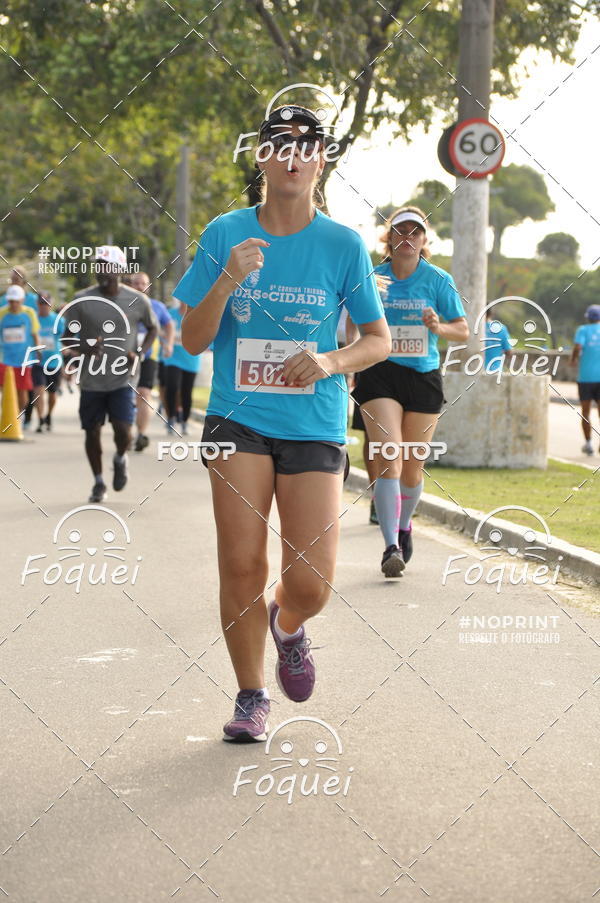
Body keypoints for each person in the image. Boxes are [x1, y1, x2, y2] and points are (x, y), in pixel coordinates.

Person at [174, 104, 390, 742]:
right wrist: (226, 280)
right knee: (242, 563)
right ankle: (250, 695)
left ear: (321, 161)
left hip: (314, 423)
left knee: (311, 583)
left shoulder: (343, 245)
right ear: (261, 157)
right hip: (236, 420)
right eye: (280, 144)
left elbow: (377, 340)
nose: (294, 155)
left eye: (307, 145)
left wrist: (328, 360)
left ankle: (288, 626)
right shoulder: (225, 233)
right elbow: (191, 339)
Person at [353, 206, 469, 577]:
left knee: (412, 468)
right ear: (389, 238)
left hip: (422, 376)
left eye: (414, 232)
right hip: (379, 372)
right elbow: (351, 319)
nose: (407, 237)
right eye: (400, 231)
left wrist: (438, 327)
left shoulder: (438, 279)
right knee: (389, 456)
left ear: (424, 239)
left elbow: (463, 330)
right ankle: (390, 546)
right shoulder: (373, 277)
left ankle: (404, 526)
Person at [61, 246, 158, 502]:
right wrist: (85, 347)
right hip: (91, 380)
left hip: (123, 379)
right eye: (98, 265)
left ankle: (120, 457)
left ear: (120, 269)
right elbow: (66, 338)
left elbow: (152, 329)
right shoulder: (82, 300)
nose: (101, 270)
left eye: (107, 265)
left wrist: (139, 352)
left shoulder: (137, 300)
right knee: (92, 431)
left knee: (123, 431)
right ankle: (98, 482)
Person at [129, 271, 174, 450]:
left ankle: (141, 434)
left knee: (144, 393)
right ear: (131, 285)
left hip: (149, 356)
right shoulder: (123, 304)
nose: (140, 286)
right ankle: (126, 433)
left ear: (148, 286)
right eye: (136, 283)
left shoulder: (157, 307)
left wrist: (168, 344)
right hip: (125, 357)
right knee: (125, 396)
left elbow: (169, 325)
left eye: (143, 283)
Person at [0, 285, 40, 420]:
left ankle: (19, 416)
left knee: (22, 392)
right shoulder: (2, 313)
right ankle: (8, 417)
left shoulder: (29, 313)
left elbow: (35, 334)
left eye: (16, 301)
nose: (13, 304)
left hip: (24, 360)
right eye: (11, 301)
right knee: (6, 390)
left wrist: (38, 350)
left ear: (22, 300)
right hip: (5, 359)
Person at [162, 300, 200, 433]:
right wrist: (167, 342)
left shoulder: (197, 315)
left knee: (186, 392)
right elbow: (161, 331)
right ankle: (171, 418)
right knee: (172, 386)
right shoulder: (170, 314)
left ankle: (184, 421)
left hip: (191, 359)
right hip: (173, 358)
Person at [32, 292, 65, 432]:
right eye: (41, 303)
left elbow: (63, 338)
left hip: (54, 362)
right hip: (37, 362)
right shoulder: (33, 319)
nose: (44, 306)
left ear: (51, 304)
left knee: (52, 394)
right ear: (37, 304)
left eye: (46, 303)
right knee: (39, 390)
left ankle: (49, 415)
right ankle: (40, 420)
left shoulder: (59, 320)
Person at [571, 304, 600, 456]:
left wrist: (573, 359)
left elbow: (577, 347)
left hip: (586, 378)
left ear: (587, 317)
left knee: (586, 412)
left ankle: (588, 444)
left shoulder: (582, 330)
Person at [484, 307, 513, 374]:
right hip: (496, 371)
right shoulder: (501, 328)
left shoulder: (472, 328)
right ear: (490, 313)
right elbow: (509, 352)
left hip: (474, 371)